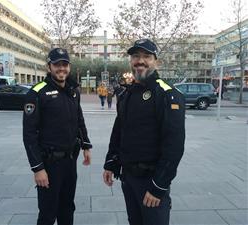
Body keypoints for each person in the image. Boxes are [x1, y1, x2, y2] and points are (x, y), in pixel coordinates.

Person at [103, 39, 185, 225]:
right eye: (135, 56)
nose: (140, 61)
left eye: (146, 56)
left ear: (156, 61)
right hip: (128, 178)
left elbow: (174, 146)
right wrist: (110, 162)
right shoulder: (126, 94)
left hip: (152, 181)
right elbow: (119, 131)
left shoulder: (167, 94)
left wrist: (159, 186)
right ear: (131, 61)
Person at [23, 48, 92, 225]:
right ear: (49, 67)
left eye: (65, 64)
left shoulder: (73, 90)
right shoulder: (37, 93)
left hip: (70, 161)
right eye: (57, 65)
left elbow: (79, 118)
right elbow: (29, 134)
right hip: (49, 164)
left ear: (69, 67)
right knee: (47, 212)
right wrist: (38, 168)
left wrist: (86, 145)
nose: (61, 69)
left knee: (67, 207)